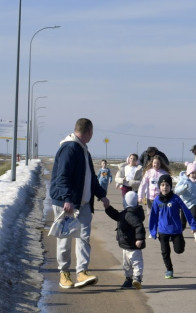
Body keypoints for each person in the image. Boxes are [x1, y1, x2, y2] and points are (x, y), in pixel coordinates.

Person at [48, 118, 110, 289]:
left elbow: (90, 178)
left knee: (84, 237)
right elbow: (62, 177)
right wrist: (67, 199)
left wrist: (102, 195)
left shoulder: (83, 150)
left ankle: (82, 272)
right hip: (66, 203)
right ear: (89, 132)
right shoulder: (69, 148)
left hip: (83, 204)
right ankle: (64, 273)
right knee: (65, 238)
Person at [148, 174, 196, 279]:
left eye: (167, 185)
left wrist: (193, 226)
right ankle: (169, 270)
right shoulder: (157, 200)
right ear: (159, 186)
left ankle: (181, 242)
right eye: (162, 185)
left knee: (179, 250)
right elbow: (153, 216)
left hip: (176, 230)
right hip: (162, 230)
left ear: (170, 186)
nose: (164, 187)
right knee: (165, 252)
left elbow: (186, 212)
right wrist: (153, 231)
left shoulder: (176, 199)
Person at [104, 191, 146, 289]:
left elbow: (139, 226)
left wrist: (140, 239)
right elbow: (117, 216)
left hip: (134, 245)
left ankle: (137, 279)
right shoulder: (126, 213)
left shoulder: (130, 215)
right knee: (126, 264)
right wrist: (108, 208)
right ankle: (129, 279)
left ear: (126, 202)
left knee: (136, 263)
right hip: (126, 245)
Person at [175, 162, 196, 242]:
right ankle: (175, 235)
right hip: (184, 203)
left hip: (195, 202)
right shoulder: (184, 180)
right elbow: (177, 191)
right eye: (192, 173)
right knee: (182, 223)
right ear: (188, 173)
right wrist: (184, 187)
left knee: (193, 214)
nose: (194, 175)